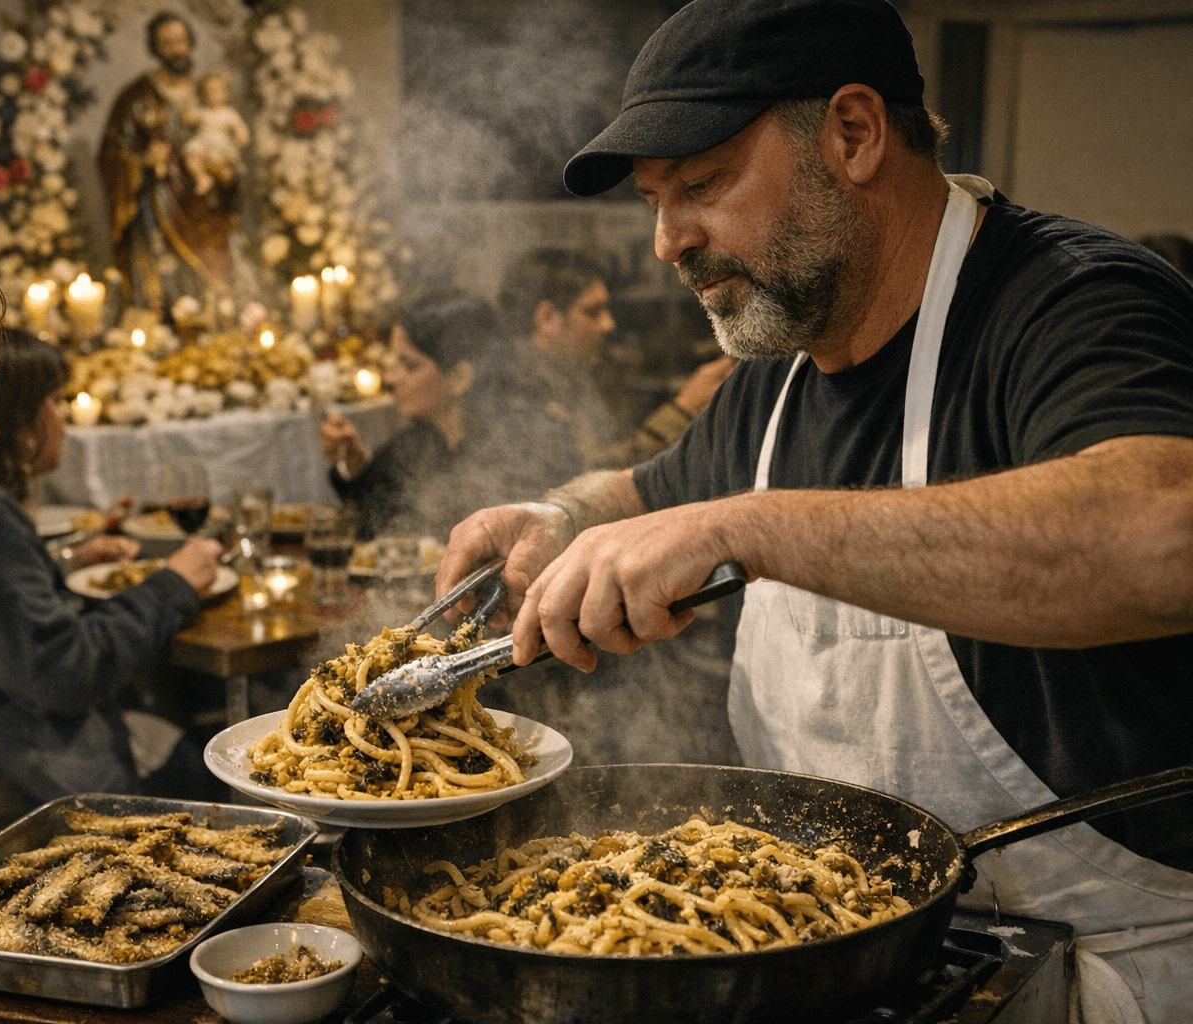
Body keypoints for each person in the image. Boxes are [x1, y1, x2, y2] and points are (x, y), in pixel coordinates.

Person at [434, 2, 1193, 1020]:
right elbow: (653, 494)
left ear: (855, 134)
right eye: (655, 202)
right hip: (836, 953)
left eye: (702, 185)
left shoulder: (1072, 301)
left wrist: (749, 528)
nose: (666, 241)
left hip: (1098, 975)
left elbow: (1164, 537)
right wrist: (559, 515)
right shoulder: (780, 374)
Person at [0, 329, 225, 828]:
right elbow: (65, 668)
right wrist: (174, 584)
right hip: (25, 771)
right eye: (55, 401)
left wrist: (65, 562)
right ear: (20, 420)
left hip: (7, 743)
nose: (65, 422)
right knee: (207, 759)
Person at [318, 287, 581, 541]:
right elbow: (374, 522)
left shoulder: (530, 446)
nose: (391, 377)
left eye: (409, 365)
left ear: (459, 378)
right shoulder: (421, 438)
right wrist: (354, 463)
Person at [497, 246, 736, 470]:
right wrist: (681, 410)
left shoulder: (573, 374)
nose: (608, 324)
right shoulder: (516, 394)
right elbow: (586, 481)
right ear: (547, 317)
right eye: (593, 312)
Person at [98, 11, 235, 310]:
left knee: (213, 276)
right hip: (159, 203)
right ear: (155, 47)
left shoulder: (207, 92)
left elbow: (230, 138)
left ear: (190, 42)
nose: (176, 49)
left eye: (181, 41)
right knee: (163, 270)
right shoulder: (136, 96)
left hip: (204, 200)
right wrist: (141, 159)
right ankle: (165, 315)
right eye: (167, 43)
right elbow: (112, 151)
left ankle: (213, 312)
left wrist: (222, 164)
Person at [183, 72, 250, 197]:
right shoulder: (203, 111)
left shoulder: (228, 113)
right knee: (190, 156)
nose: (211, 95)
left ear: (226, 93)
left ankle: (219, 188)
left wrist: (242, 136)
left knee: (225, 170)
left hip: (220, 146)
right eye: (207, 91)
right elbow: (188, 119)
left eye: (215, 91)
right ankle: (201, 177)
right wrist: (189, 104)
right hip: (202, 143)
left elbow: (240, 127)